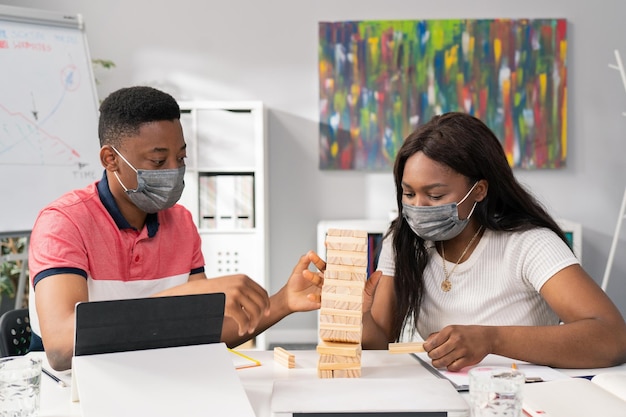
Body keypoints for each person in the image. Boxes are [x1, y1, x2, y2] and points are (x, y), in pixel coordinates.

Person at [28, 86, 324, 371]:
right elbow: (61, 346)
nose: (173, 170)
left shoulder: (180, 221)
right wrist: (182, 299)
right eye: (158, 161)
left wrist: (284, 301)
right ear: (111, 159)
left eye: (180, 158)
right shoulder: (63, 222)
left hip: (157, 380)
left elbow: (207, 332)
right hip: (72, 392)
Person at [358, 112, 626, 370]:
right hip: (447, 398)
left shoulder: (530, 244)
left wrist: (490, 340)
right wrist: (356, 314)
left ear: (479, 190)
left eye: (436, 196)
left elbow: (613, 338)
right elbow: (379, 346)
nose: (419, 207)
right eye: (408, 193)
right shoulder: (403, 242)